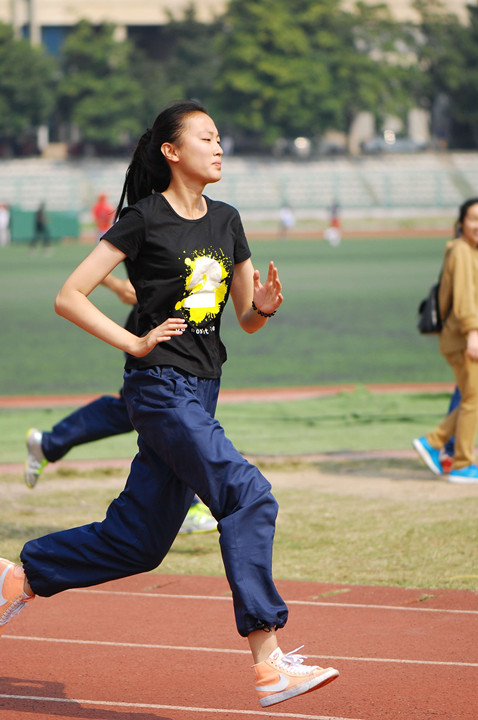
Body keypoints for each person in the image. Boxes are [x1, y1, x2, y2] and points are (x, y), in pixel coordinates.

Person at [0, 100, 339, 707]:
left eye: (220, 137)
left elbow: (244, 319)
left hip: (202, 391)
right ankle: (269, 665)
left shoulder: (228, 220)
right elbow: (69, 295)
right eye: (206, 138)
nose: (219, 147)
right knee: (248, 494)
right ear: (171, 151)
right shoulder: (143, 219)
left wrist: (262, 308)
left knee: (139, 542)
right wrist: (133, 341)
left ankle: (19, 577)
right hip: (159, 388)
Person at [24, 274, 216, 535]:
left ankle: (48, 443)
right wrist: (121, 284)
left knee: (132, 410)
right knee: (169, 414)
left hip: (185, 333)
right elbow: (125, 286)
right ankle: (185, 507)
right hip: (155, 332)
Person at [413, 197, 478, 484]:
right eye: (473, 219)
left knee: (471, 397)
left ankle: (433, 442)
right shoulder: (461, 250)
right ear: (461, 223)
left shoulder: (469, 251)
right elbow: (464, 299)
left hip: (462, 337)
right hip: (463, 339)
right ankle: (462, 462)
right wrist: (473, 333)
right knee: (473, 399)